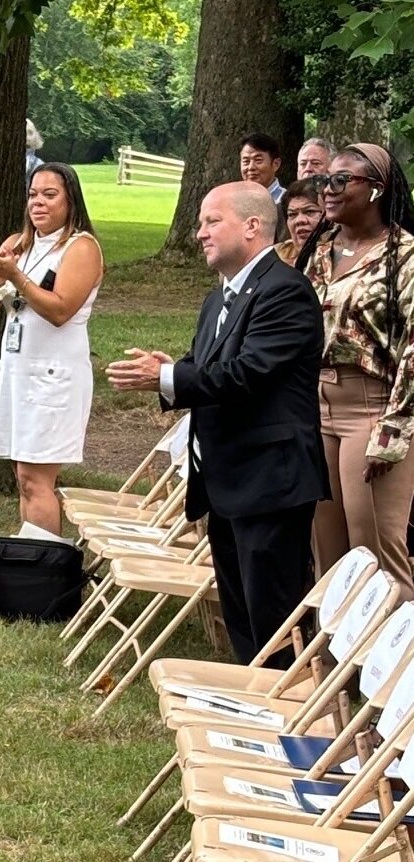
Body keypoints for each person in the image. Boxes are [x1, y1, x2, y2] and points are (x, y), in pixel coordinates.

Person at [107, 181, 328, 666]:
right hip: (227, 481)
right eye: (201, 222)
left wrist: (168, 376)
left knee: (273, 621)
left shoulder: (285, 291)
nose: (199, 233)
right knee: (242, 616)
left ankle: (287, 719)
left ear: (252, 226)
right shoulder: (218, 299)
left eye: (212, 221)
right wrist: (169, 370)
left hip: (270, 481)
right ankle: (253, 709)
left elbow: (245, 375)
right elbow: (205, 366)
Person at [298, 143, 414, 595]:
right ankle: (331, 665)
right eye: (327, 179)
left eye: (342, 180)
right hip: (314, 406)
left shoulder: (404, 256)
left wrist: (394, 429)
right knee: (329, 553)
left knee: (376, 557)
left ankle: (395, 663)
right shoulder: (319, 249)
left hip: (373, 409)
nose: (328, 189)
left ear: (376, 191)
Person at [0, 163, 105, 536]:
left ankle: (43, 570)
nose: (39, 203)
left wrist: (18, 277)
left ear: (70, 200)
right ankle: (30, 562)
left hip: (55, 377)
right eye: (33, 194)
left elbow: (61, 310)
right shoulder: (19, 243)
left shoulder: (81, 247)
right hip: (18, 373)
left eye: (50, 195)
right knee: (24, 477)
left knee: (36, 479)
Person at [275, 178, 323, 265]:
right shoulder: (275, 256)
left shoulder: (341, 259)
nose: (299, 220)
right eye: (292, 214)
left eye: (309, 212)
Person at [240, 132, 285, 203]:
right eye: (246, 161)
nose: (251, 167)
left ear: (276, 164)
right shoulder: (235, 201)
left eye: (258, 160)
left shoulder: (287, 201)